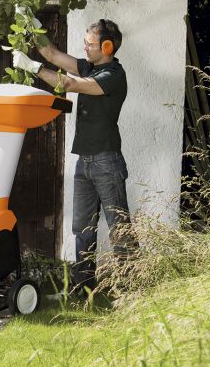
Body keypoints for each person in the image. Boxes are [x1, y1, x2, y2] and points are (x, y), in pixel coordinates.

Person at [13, 19, 133, 295]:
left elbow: (68, 83)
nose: (85, 47)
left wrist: (33, 68)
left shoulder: (114, 75)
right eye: (85, 42)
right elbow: (53, 54)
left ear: (107, 47)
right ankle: (82, 288)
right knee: (83, 228)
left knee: (120, 229)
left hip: (107, 161)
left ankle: (132, 290)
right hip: (84, 161)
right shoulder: (89, 66)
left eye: (90, 43)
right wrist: (31, 23)